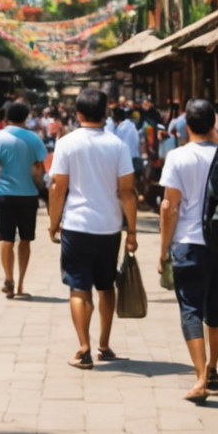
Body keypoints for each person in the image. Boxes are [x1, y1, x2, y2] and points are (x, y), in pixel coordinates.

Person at [158, 97, 218, 402]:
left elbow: (169, 206)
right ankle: (212, 368)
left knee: (191, 309)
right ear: (214, 125)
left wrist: (163, 250)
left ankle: (199, 377)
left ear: (186, 126)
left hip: (187, 244)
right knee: (216, 309)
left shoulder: (177, 157)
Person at [48, 87, 138, 370]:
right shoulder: (118, 145)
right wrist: (132, 230)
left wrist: (53, 223)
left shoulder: (66, 143)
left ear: (78, 114)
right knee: (106, 286)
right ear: (106, 113)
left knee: (78, 287)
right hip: (109, 227)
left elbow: (58, 187)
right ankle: (104, 344)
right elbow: (128, 192)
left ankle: (84, 348)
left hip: (76, 225)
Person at [0, 100, 48, 298]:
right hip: (28, 196)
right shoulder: (34, 139)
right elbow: (39, 170)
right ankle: (20, 284)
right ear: (26, 117)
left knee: (5, 238)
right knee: (26, 240)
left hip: (5, 194)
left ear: (6, 118)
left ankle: (8, 278)